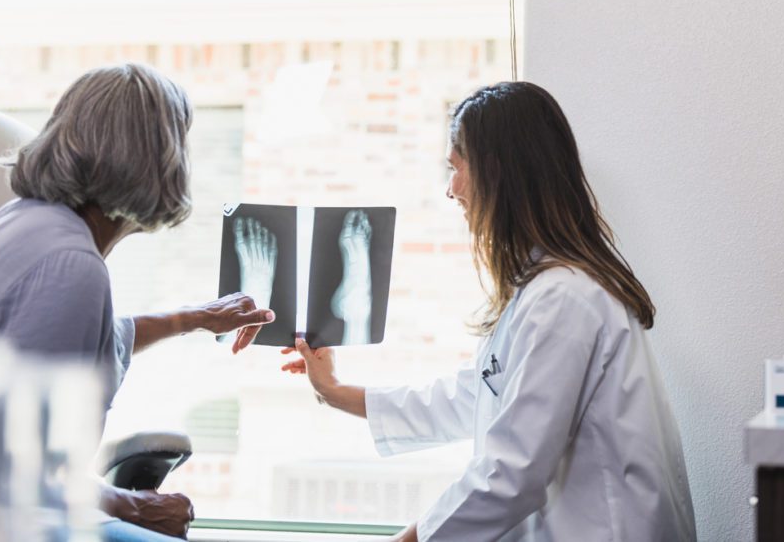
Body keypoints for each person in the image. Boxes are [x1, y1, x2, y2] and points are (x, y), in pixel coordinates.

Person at [281, 82, 696, 541]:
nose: (450, 189)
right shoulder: (543, 288)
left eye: (455, 168)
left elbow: (511, 474)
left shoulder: (564, 299)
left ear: (495, 172)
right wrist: (336, 391)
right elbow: (475, 397)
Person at [0, 63, 275, 541]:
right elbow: (19, 465)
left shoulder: (27, 222)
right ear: (159, 159)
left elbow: (93, 337)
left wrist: (193, 318)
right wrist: (135, 507)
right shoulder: (69, 264)